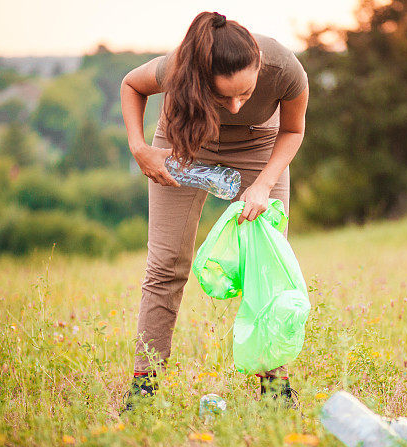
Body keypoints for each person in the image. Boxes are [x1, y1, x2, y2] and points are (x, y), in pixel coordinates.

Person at [119, 11, 309, 411]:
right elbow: (131, 85)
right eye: (223, 97)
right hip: (185, 144)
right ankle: (144, 387)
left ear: (259, 63)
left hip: (260, 148)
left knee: (268, 265)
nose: (236, 106)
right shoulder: (178, 66)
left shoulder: (286, 68)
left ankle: (275, 390)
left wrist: (263, 184)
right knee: (166, 263)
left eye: (246, 92)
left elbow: (293, 130)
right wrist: (140, 149)